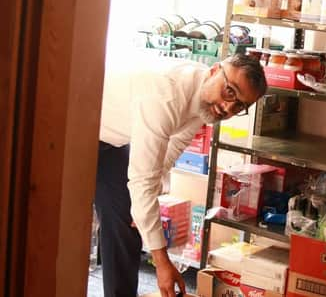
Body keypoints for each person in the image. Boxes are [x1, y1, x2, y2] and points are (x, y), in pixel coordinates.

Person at [96, 52, 267, 297]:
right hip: (76, 123)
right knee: (64, 223)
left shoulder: (204, 100)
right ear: (215, 70)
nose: (228, 107)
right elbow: (142, 179)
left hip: (110, 140)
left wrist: (144, 208)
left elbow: (169, 152)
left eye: (240, 105)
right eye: (230, 91)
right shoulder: (165, 96)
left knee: (127, 217)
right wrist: (162, 262)